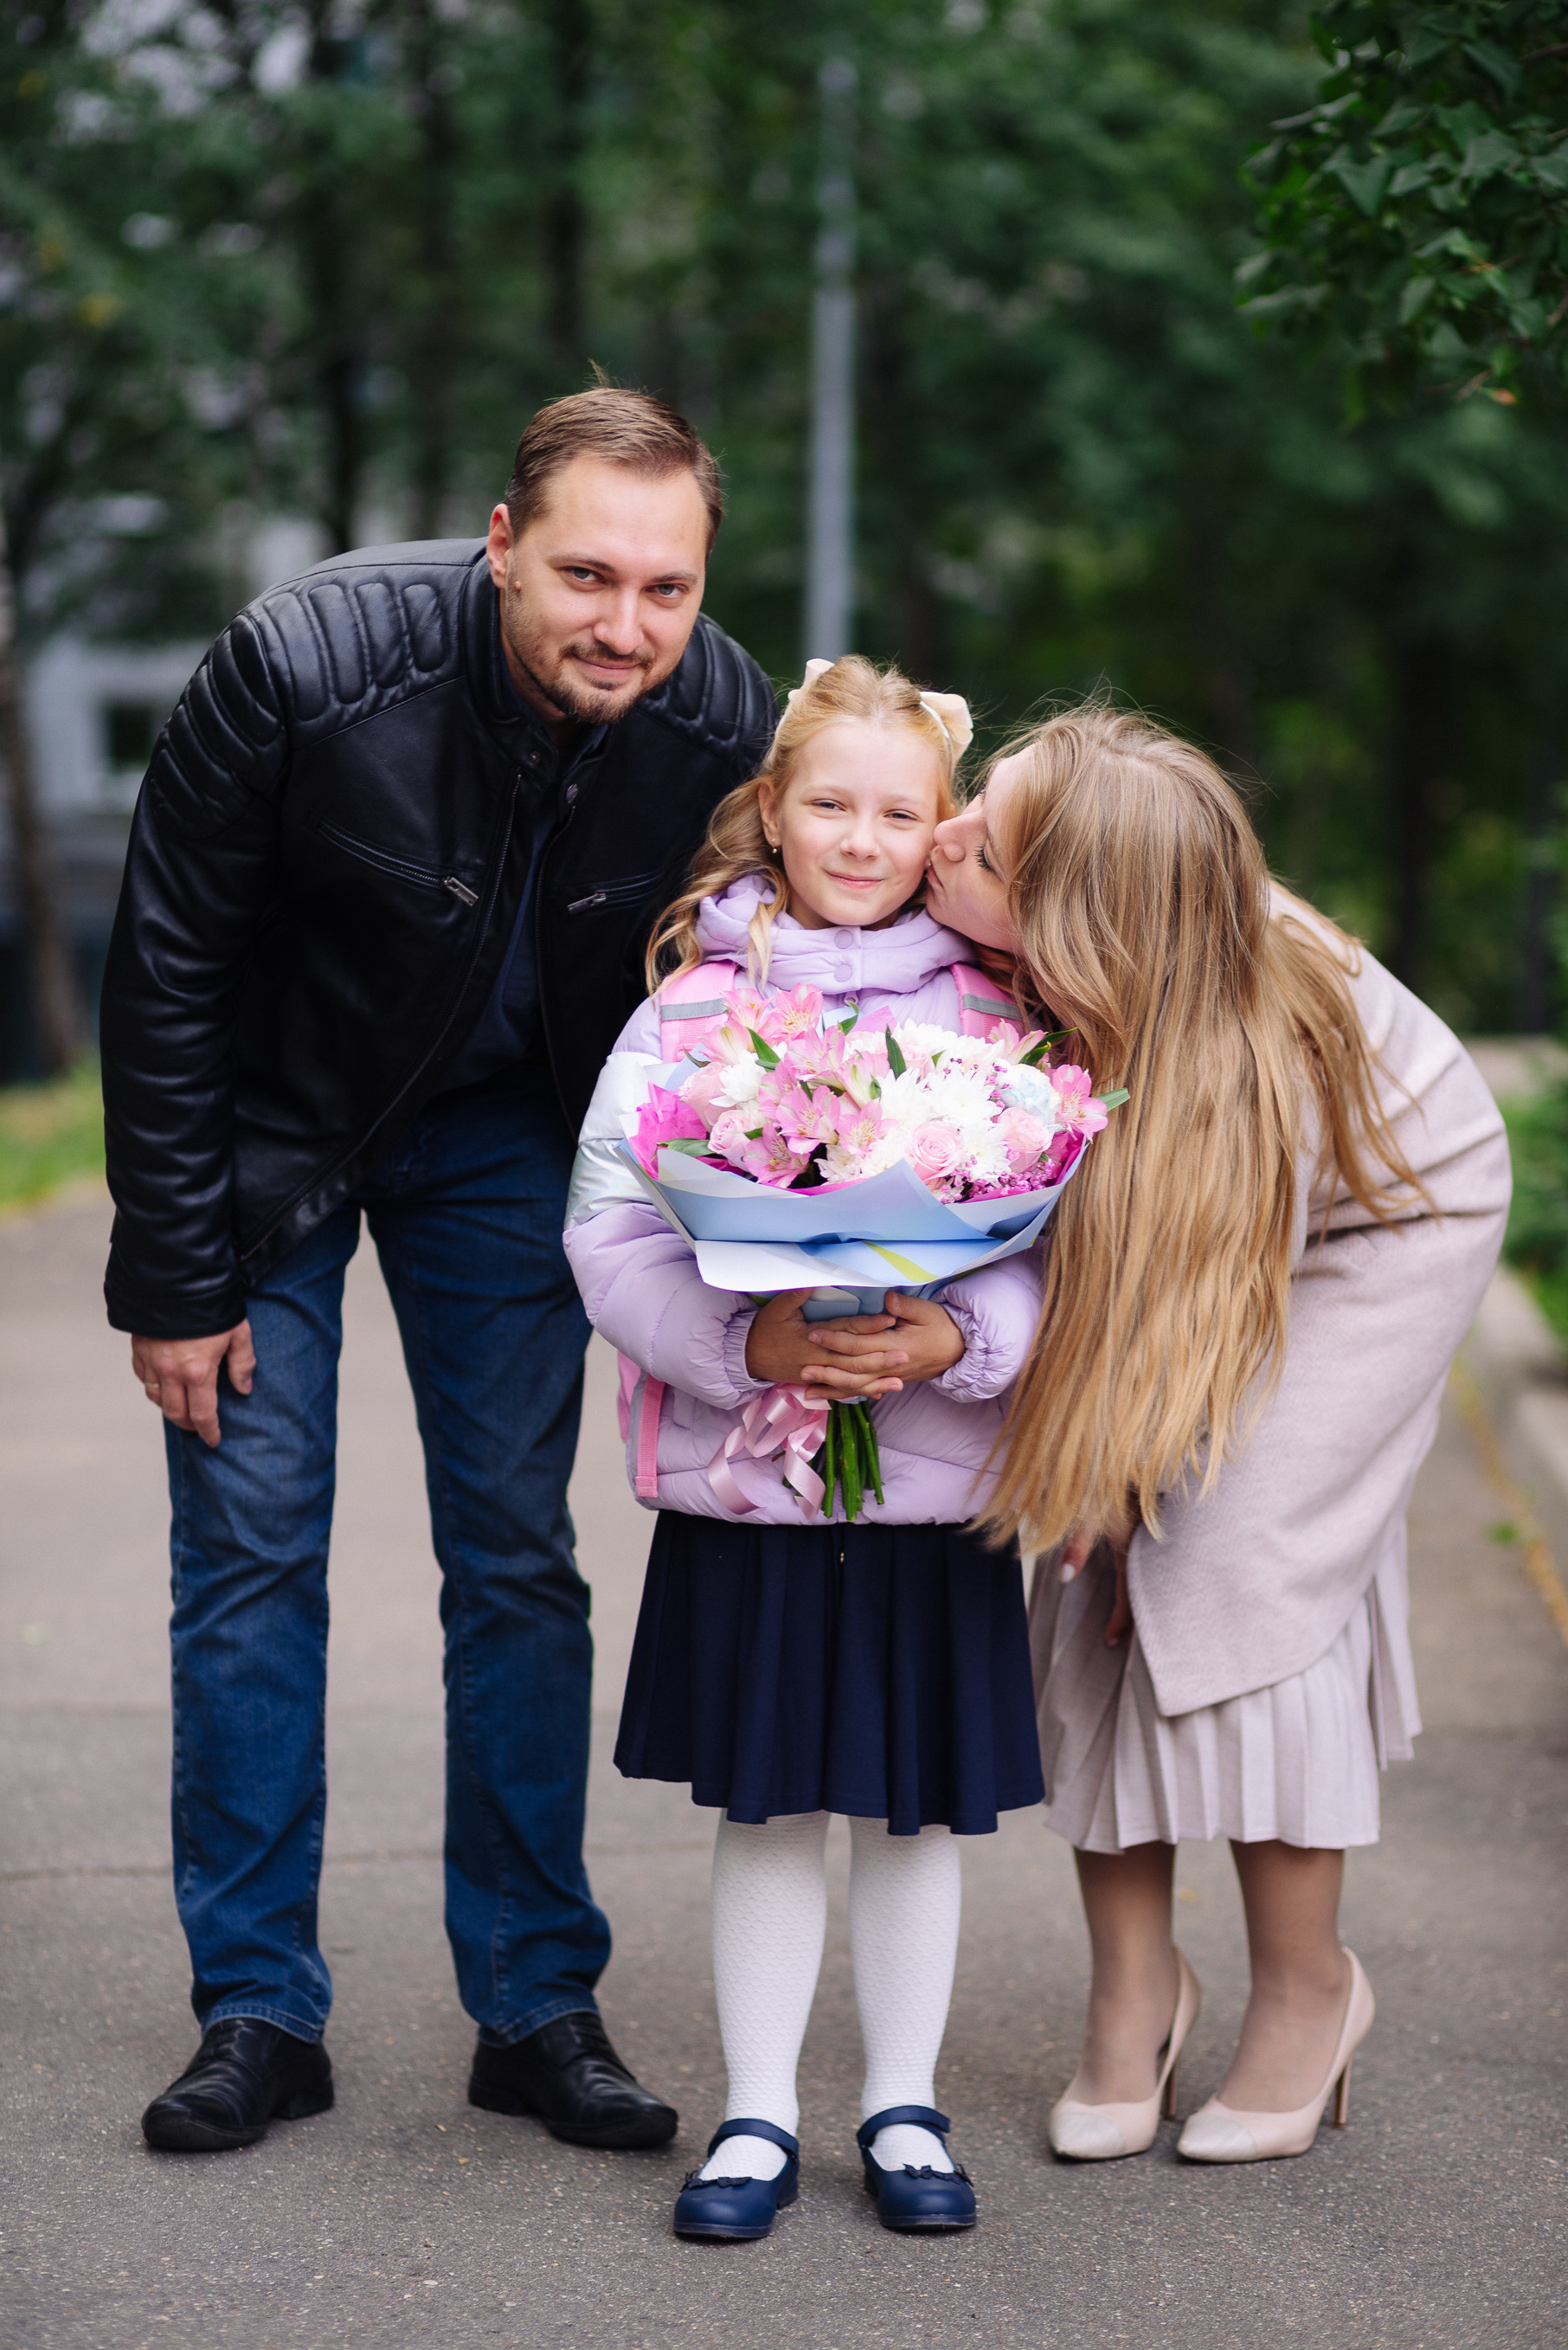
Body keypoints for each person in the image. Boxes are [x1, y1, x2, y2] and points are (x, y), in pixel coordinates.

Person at [100, 387, 774, 2154]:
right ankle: (257, 2005)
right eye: (584, 574)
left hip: (508, 1145)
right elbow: (167, 967)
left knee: (517, 1556)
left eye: (666, 585)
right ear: (498, 542)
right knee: (251, 1553)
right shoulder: (301, 663)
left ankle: (537, 1998)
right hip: (278, 1138)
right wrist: (177, 1268)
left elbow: (799, 966)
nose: (625, 624)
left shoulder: (718, 716)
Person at [922, 703, 1508, 2165]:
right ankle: (1136, 1990)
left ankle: (1312, 1992)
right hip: (1177, 1235)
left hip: (1369, 1227)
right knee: (1088, 1554)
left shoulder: (1257, 1047)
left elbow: (1184, 1302)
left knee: (1236, 1549)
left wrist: (1126, 1470)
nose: (942, 840)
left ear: (1076, 928)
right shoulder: (1094, 951)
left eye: (980, 850)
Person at [562, 656, 1047, 2240]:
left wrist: (962, 1339)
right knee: (766, 1803)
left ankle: (902, 2102)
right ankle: (756, 2115)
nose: (860, 836)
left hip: (924, 1481)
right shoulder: (691, 1011)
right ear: (770, 810)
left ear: (942, 830)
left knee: (911, 1808)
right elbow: (612, 1225)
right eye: (828, 802)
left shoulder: (999, 1013)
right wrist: (746, 1344)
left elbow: (1046, 1241)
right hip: (756, 1476)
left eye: (897, 813)